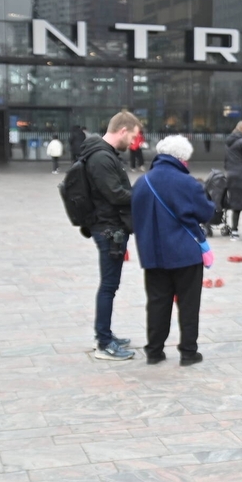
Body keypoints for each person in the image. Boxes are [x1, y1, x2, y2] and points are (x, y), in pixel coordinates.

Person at [131, 135, 214, 366]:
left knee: (157, 302)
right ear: (181, 158)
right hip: (185, 253)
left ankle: (154, 351)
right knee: (188, 303)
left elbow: (133, 216)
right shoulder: (187, 183)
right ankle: (188, 352)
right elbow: (207, 213)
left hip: (152, 253)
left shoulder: (142, 182)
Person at [83, 112, 141, 360]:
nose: (133, 143)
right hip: (108, 228)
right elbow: (115, 194)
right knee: (108, 286)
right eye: (133, 137)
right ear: (123, 130)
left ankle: (106, 334)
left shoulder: (103, 154)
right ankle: (103, 343)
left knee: (110, 285)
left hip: (109, 226)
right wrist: (143, 194)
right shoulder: (101, 157)